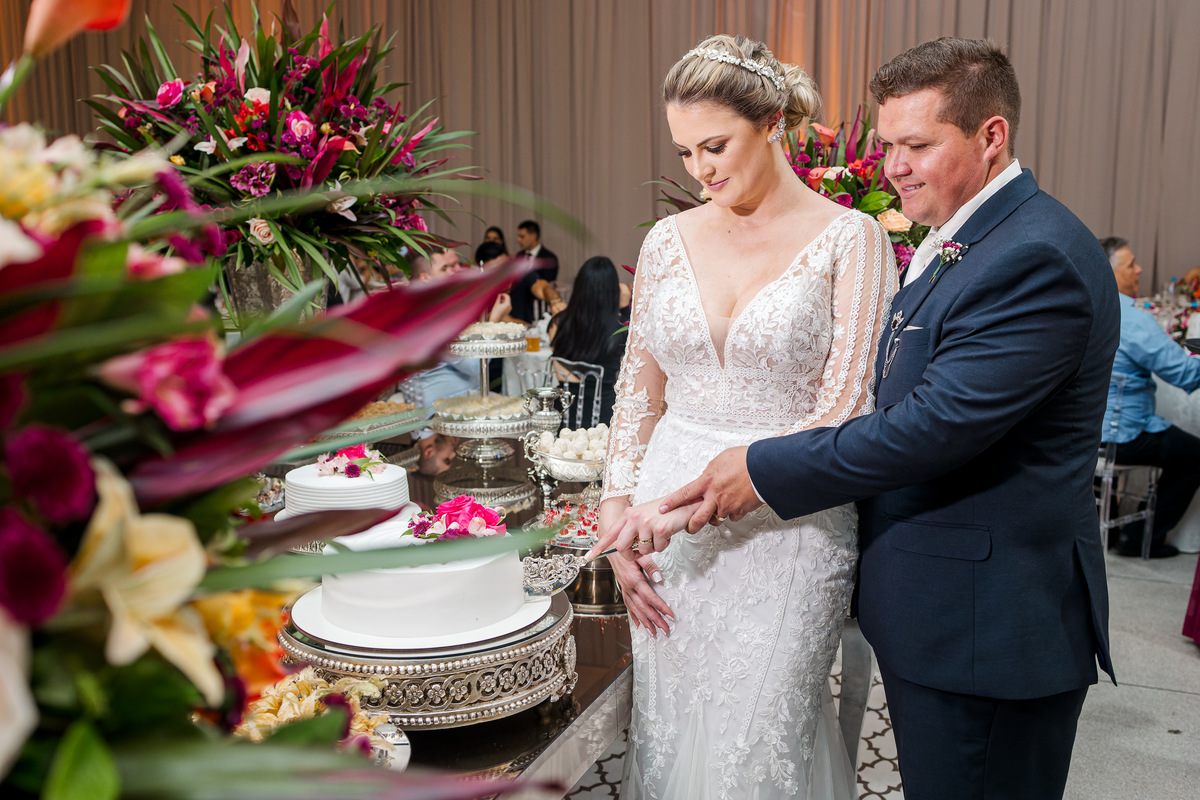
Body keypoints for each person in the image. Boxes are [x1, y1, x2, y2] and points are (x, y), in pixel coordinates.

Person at [604, 37, 1119, 800]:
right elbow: (639, 391)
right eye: (887, 145)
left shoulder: (1029, 253)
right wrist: (621, 512)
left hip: (980, 612)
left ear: (991, 136)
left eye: (916, 145)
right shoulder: (965, 239)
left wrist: (756, 468)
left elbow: (928, 424)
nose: (895, 166)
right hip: (895, 585)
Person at [596, 35, 894, 799]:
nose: (702, 170)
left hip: (788, 522)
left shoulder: (851, 238)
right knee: (670, 725)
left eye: (716, 145)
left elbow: (846, 411)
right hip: (662, 527)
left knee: (759, 739)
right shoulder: (667, 240)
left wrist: (695, 504)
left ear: (771, 122)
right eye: (687, 152)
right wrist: (617, 518)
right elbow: (640, 391)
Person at [1099, 235, 1200, 558]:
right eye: (1131, 264)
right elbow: (1185, 374)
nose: (1139, 269)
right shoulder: (1132, 319)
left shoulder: (1080, 305)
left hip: (1082, 433)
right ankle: (1140, 536)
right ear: (1110, 271)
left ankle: (1111, 522)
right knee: (1195, 455)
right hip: (1121, 435)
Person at [547, 256, 628, 427]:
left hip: (565, 416)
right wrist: (624, 308)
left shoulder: (559, 322)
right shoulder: (620, 330)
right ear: (613, 291)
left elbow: (557, 365)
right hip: (604, 419)